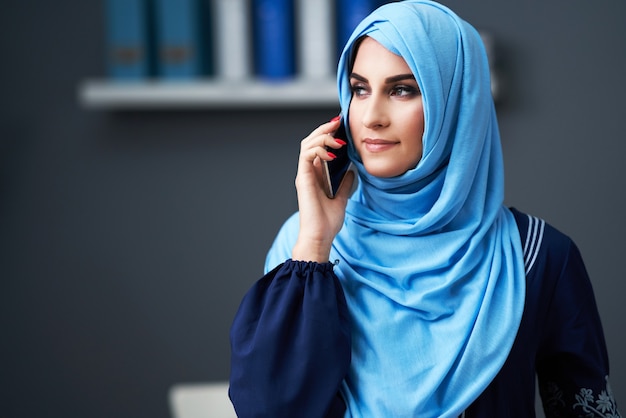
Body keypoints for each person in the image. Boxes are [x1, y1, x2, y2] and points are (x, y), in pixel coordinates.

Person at [228, 1, 621, 417]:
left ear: (456, 103)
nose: (371, 117)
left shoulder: (537, 257)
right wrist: (315, 242)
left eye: (402, 90)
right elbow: (270, 408)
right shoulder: (302, 247)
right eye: (359, 89)